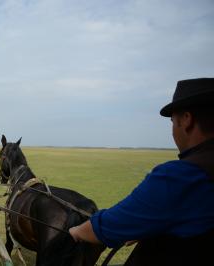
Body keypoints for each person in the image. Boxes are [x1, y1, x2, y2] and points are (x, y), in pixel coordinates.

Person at [69, 78, 214, 266]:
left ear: (187, 120)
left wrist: (77, 231)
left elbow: (108, 226)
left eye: (172, 121)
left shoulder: (182, 175)